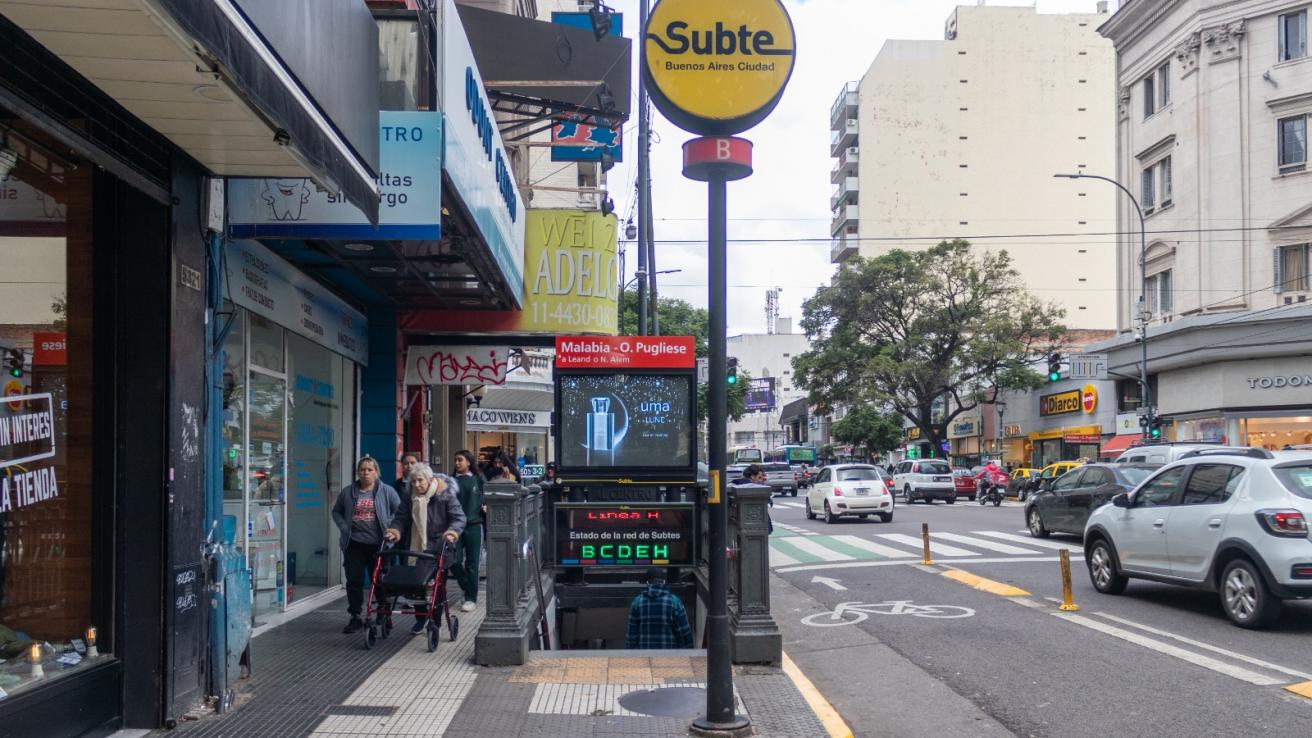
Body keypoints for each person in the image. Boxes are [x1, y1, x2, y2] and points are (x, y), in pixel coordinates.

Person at [391, 462, 465, 634]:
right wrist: (395, 530)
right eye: (413, 481)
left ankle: (435, 621)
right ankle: (421, 618)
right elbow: (401, 517)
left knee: (437, 585)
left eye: (420, 480)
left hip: (439, 547)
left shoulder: (445, 495)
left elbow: (459, 517)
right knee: (416, 585)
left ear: (429, 479)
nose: (416, 485)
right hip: (416, 547)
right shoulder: (410, 496)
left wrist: (452, 531)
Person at [331, 457, 402, 634]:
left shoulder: (387, 491)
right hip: (354, 544)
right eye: (362, 469)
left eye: (370, 469)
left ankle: (383, 613)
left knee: (380, 581)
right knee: (354, 581)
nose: (366, 472)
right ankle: (355, 616)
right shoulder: (348, 492)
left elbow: (399, 512)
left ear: (376, 472)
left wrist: (390, 526)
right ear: (358, 472)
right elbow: (336, 512)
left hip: (379, 545)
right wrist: (344, 527)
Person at [450, 450, 485, 613]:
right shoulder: (450, 481)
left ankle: (470, 598)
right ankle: (467, 586)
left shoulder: (478, 479)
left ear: (469, 462)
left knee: (472, 564)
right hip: (454, 527)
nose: (457, 463)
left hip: (474, 525)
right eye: (455, 460)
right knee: (454, 561)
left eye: (460, 460)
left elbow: (488, 495)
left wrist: (486, 505)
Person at [626, 567, 693, 650]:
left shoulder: (637, 602)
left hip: (644, 655)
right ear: (664, 582)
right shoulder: (674, 602)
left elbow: (631, 637)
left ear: (647, 583)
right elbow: (685, 634)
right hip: (669, 655)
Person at [732, 464, 772, 534]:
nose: (761, 480)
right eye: (759, 477)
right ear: (752, 476)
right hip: (754, 525)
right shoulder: (755, 488)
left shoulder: (735, 484)